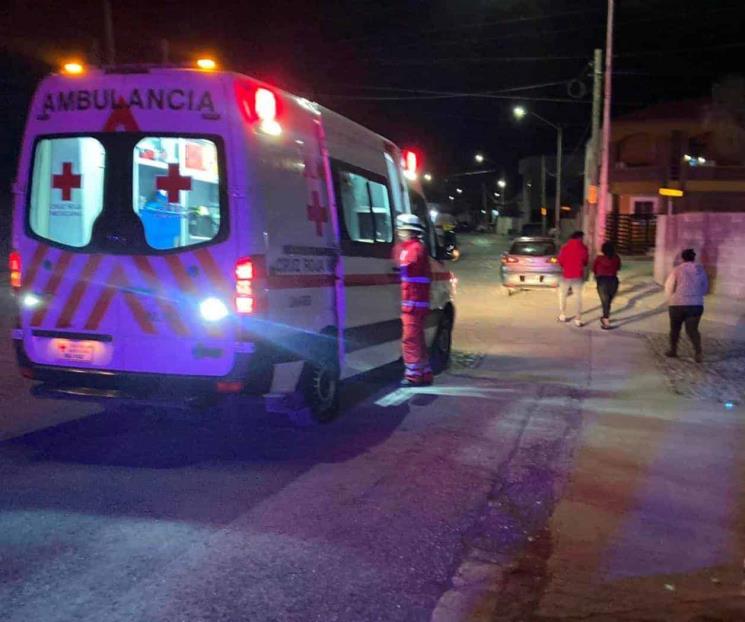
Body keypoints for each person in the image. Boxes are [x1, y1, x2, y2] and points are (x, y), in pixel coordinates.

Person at [395, 213, 433, 386]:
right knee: (417, 339)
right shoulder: (416, 247)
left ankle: (413, 376)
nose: (399, 233)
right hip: (416, 302)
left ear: (409, 231)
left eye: (401, 230)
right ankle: (424, 372)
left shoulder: (413, 249)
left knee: (410, 339)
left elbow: (406, 268)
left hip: (413, 303)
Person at [664, 248, 708, 363]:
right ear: (694, 258)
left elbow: (669, 287)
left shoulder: (677, 270)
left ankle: (673, 350)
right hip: (695, 305)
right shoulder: (700, 270)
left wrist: (670, 298)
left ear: (682, 258)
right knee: (692, 330)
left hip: (678, 304)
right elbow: (705, 287)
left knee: (675, 329)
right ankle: (698, 351)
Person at [557, 230, 589, 327]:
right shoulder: (583, 248)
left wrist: (565, 266)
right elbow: (585, 262)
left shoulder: (565, 247)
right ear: (579, 238)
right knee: (578, 297)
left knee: (562, 295)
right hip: (577, 276)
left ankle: (562, 315)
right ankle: (578, 319)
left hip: (566, 274)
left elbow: (560, 261)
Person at [593, 241, 622, 329]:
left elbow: (594, 268)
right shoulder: (616, 258)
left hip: (602, 281)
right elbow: (618, 268)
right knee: (608, 301)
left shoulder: (599, 258)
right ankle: (605, 317)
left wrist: (597, 275)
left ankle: (606, 320)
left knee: (605, 302)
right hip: (613, 280)